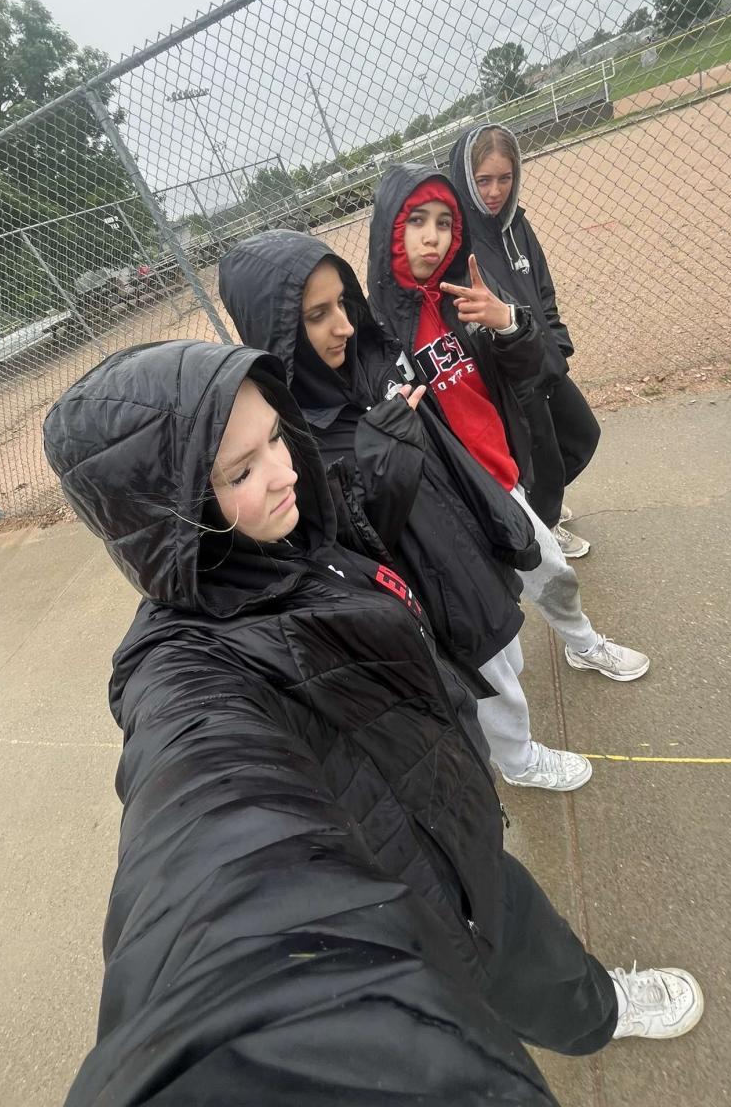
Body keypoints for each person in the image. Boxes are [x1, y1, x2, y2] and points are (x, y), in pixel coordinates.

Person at [43, 339, 703, 1106]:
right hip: (411, 906)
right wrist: (247, 1026)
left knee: (535, 945)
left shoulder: (293, 540)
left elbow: (363, 526)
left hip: (452, 831)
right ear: (168, 512)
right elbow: (203, 824)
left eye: (276, 437)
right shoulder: (188, 670)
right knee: (506, 966)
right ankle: (594, 1012)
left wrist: (387, 449)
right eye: (240, 471)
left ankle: (599, 1009)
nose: (284, 471)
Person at [219, 228, 589, 791]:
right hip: (429, 586)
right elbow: (344, 550)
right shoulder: (290, 439)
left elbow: (449, 442)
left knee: (507, 653)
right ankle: (519, 762)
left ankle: (514, 738)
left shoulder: (376, 361)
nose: (344, 325)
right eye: (317, 315)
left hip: (467, 538)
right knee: (490, 682)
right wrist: (383, 463)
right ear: (277, 330)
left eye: (342, 302)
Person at [368, 164, 649, 683]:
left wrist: (510, 325)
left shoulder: (466, 295)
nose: (432, 237)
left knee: (551, 572)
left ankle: (582, 644)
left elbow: (526, 373)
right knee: (488, 619)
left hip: (502, 471)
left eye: (445, 223)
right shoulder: (377, 330)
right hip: (455, 491)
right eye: (416, 221)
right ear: (390, 229)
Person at [449, 123, 601, 558]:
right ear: (466, 178)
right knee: (542, 458)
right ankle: (543, 525)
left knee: (583, 435)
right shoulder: (460, 243)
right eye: (483, 180)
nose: (495, 191)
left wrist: (558, 343)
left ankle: (538, 506)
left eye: (505, 178)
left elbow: (542, 289)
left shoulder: (517, 224)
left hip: (544, 356)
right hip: (512, 371)